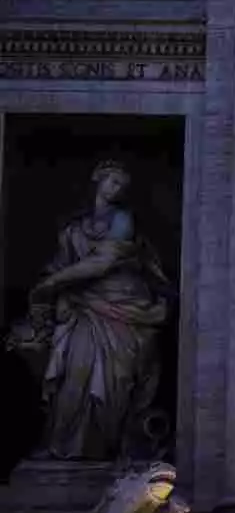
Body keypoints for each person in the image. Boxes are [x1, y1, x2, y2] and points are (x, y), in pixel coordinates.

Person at [4, 159, 171, 461]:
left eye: (123, 185)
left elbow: (102, 263)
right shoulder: (73, 230)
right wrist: (51, 286)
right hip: (82, 309)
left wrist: (53, 283)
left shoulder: (123, 220)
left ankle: (103, 448)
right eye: (113, 181)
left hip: (124, 309)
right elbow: (59, 266)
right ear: (98, 180)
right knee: (73, 374)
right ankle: (64, 445)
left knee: (116, 380)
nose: (117, 189)